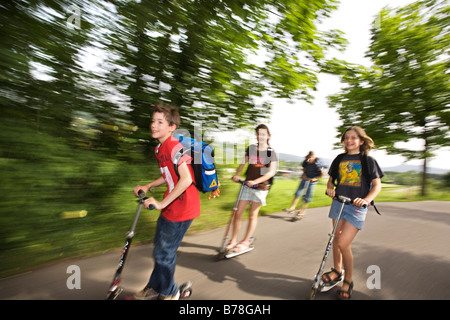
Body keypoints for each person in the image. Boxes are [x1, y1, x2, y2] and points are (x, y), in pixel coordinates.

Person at [133, 104, 200, 300]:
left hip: (183, 208)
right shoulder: (159, 148)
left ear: (171, 127)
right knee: (160, 250)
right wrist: (148, 186)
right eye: (153, 121)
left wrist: (162, 204)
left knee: (164, 253)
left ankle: (171, 292)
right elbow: (169, 175)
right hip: (171, 206)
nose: (154, 125)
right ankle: (155, 287)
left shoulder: (174, 147)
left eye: (160, 122)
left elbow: (186, 178)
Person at [323, 126, 383, 300]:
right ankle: (336, 270)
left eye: (354, 138)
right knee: (336, 239)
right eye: (346, 138)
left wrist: (365, 200)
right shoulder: (339, 159)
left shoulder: (368, 161)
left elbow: (377, 186)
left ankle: (348, 280)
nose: (349, 141)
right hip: (338, 203)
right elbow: (331, 180)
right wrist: (330, 188)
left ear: (361, 141)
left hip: (356, 207)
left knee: (343, 243)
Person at [229, 124, 278, 253]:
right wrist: (237, 174)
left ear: (268, 136)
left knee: (252, 215)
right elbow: (243, 162)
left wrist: (256, 181)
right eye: (258, 133)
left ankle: (245, 241)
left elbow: (271, 172)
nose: (260, 136)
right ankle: (233, 240)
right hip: (246, 185)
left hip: (260, 187)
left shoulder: (270, 153)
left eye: (263, 134)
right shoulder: (251, 148)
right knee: (238, 213)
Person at [284, 151, 324, 221]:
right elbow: (304, 168)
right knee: (298, 193)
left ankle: (302, 212)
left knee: (307, 197)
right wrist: (304, 174)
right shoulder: (306, 161)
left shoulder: (318, 163)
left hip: (312, 181)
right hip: (305, 178)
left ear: (313, 157)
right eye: (308, 158)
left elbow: (322, 173)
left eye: (310, 158)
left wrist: (315, 178)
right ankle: (292, 208)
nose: (309, 160)